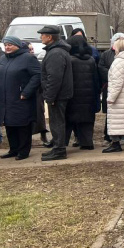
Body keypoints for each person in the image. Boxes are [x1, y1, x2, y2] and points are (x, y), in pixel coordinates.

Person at [0, 36, 41, 160]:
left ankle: (23, 151)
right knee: (9, 124)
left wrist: (26, 92)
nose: (7, 47)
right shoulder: (2, 58)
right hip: (4, 98)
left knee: (22, 125)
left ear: (17, 45)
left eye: (10, 44)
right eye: (5, 45)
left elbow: (37, 75)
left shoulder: (28, 58)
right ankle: (13, 149)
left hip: (21, 98)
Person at [38, 25, 74, 161]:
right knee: (57, 121)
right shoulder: (56, 51)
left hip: (58, 95)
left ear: (49, 37)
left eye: (42, 34)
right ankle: (58, 147)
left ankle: (59, 150)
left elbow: (54, 78)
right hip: (60, 94)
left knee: (57, 122)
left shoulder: (55, 53)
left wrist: (50, 96)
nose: (41, 37)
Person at [65, 35, 100, 150]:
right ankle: (87, 143)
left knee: (68, 121)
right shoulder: (91, 60)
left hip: (73, 96)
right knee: (87, 121)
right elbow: (96, 79)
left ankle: (62, 143)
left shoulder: (70, 60)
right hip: (88, 96)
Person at [99, 33, 124, 143]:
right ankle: (108, 136)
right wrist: (112, 75)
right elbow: (101, 67)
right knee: (111, 113)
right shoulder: (106, 54)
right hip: (109, 86)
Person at [24, 42, 49, 145]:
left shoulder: (34, 60)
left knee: (40, 116)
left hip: (38, 92)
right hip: (26, 93)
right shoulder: (24, 60)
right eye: (30, 49)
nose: (32, 51)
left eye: (32, 49)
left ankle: (43, 137)